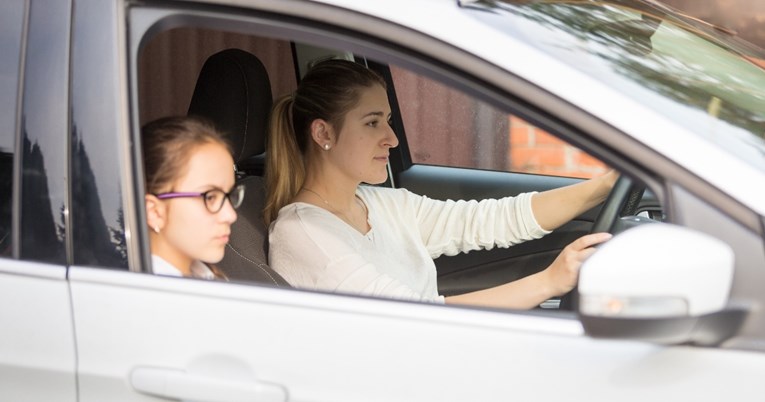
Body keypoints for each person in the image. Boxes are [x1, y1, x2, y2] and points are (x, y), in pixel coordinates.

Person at [265, 59, 616, 309]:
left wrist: (603, 187)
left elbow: (490, 220)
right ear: (323, 132)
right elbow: (415, 318)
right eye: (372, 123)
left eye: (387, 121)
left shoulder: (382, 205)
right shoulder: (303, 234)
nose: (391, 139)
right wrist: (548, 282)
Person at [142, 116, 244, 279]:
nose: (231, 215)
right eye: (210, 197)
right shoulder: (152, 299)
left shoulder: (203, 275)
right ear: (154, 212)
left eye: (229, 195)